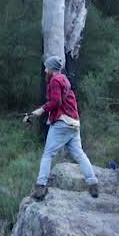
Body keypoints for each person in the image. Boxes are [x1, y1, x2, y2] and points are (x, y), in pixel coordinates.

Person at [23, 56, 99, 200]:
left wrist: (38, 112)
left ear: (51, 69)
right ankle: (93, 184)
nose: (45, 70)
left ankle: (40, 188)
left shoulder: (55, 81)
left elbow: (55, 102)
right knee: (80, 154)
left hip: (62, 123)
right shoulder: (65, 79)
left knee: (48, 155)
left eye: (46, 68)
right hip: (74, 123)